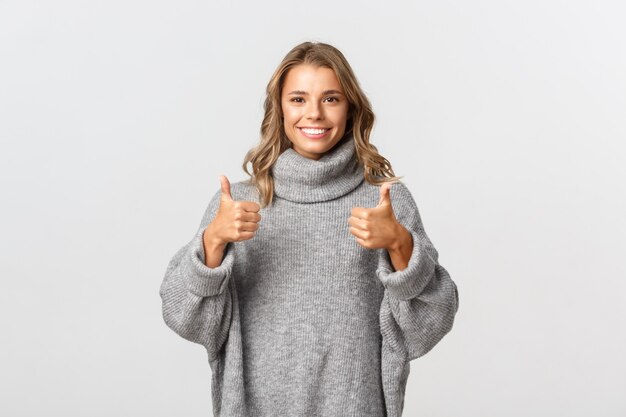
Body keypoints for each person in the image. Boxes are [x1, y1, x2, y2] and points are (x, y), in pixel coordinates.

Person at [159, 41, 459, 417]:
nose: (314, 114)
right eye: (298, 99)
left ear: (350, 108)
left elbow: (429, 325)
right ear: (279, 109)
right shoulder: (238, 204)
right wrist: (213, 242)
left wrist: (400, 245)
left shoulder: (386, 201)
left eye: (331, 99)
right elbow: (185, 319)